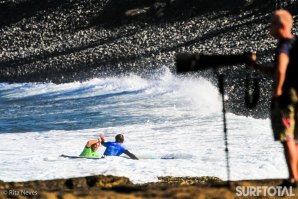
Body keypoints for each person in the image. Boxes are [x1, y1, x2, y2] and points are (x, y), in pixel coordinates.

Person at [249, 10, 298, 186]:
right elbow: (276, 69)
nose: (269, 27)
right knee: (296, 138)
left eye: (272, 23)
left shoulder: (283, 46)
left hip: (287, 97)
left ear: (282, 25)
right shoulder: (295, 43)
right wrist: (256, 66)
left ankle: (293, 179)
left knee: (287, 137)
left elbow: (281, 68)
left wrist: (276, 91)